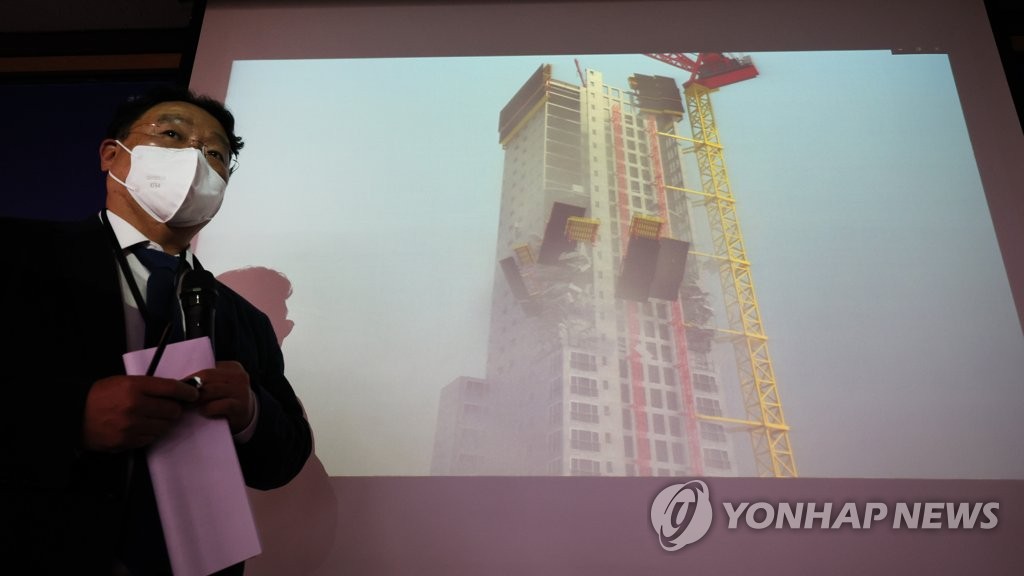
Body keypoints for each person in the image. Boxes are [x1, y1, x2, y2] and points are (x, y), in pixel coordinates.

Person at [0, 86, 313, 575]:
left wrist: (251, 412)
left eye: (215, 154)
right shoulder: (15, 255)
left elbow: (285, 458)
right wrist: (70, 417)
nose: (196, 160)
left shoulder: (247, 320)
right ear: (112, 155)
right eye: (171, 135)